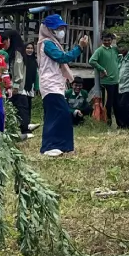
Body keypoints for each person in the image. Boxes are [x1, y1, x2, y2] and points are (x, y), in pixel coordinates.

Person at [37, 14, 89, 157]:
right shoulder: (47, 44)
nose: (61, 30)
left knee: (59, 115)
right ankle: (50, 146)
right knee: (60, 114)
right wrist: (79, 47)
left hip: (55, 85)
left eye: (61, 28)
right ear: (48, 29)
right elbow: (62, 58)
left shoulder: (52, 43)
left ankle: (63, 146)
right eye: (57, 28)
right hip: (50, 85)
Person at [4, 31, 40, 136]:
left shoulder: (17, 52)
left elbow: (18, 71)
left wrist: (15, 85)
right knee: (16, 108)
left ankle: (25, 129)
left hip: (19, 87)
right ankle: (20, 128)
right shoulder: (13, 52)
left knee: (22, 108)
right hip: (16, 86)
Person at [89, 33, 120, 127]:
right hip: (107, 82)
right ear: (102, 40)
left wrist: (116, 37)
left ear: (112, 40)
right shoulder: (99, 50)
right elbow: (92, 61)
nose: (107, 42)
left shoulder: (114, 49)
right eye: (105, 40)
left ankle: (119, 124)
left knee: (117, 104)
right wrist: (101, 69)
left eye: (109, 40)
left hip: (116, 81)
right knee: (108, 104)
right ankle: (107, 123)